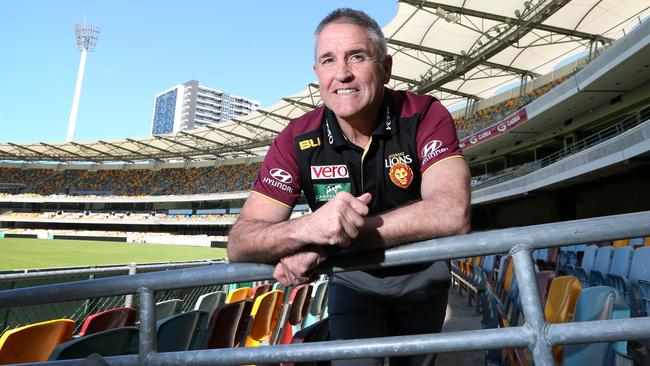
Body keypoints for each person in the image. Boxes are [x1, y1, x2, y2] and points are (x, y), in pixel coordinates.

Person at [228, 8, 470, 366]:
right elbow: (240, 242)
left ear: (386, 68)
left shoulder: (424, 114)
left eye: (357, 56)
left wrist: (328, 243)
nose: (341, 73)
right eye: (328, 60)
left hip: (423, 276)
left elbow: (453, 212)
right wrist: (306, 230)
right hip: (352, 281)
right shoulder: (296, 137)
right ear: (317, 74)